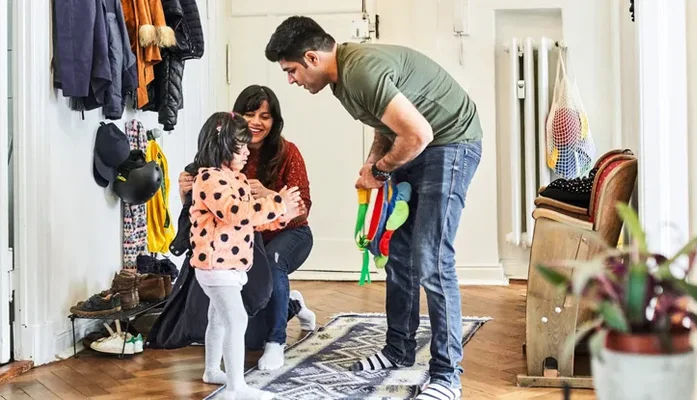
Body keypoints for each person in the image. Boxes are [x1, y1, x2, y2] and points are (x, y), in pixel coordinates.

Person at [264, 16, 483, 400]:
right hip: (419, 144)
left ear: (312, 58)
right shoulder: (342, 78)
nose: (292, 80)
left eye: (291, 70)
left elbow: (418, 133)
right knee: (399, 255)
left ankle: (447, 375)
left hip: (450, 142)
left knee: (432, 259)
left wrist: (380, 171)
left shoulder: (360, 71)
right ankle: (398, 351)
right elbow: (388, 123)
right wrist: (371, 165)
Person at [179, 85, 317, 370]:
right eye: (249, 114)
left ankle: (276, 341)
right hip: (242, 242)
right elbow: (207, 211)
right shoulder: (219, 161)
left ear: (274, 121)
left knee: (273, 264)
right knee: (249, 337)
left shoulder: (287, 152)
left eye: (265, 116)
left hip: (288, 233)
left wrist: (270, 195)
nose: (256, 122)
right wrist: (185, 194)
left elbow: (300, 208)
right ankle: (291, 304)